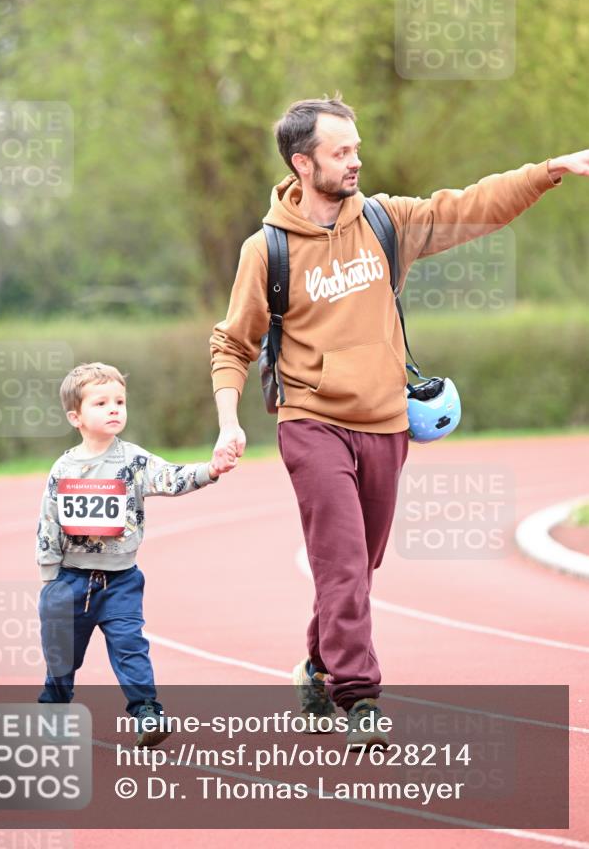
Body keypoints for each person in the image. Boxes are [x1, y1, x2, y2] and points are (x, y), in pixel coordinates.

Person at [209, 95, 588, 750]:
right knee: (344, 563)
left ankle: (316, 663)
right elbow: (231, 342)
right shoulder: (264, 250)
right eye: (340, 152)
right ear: (303, 163)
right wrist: (226, 422)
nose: (355, 161)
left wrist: (547, 169)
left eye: (355, 148)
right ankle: (358, 700)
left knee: (356, 565)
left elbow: (470, 206)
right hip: (311, 422)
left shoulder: (387, 221)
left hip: (386, 425)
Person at [36, 361, 236, 747]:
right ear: (76, 416)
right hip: (70, 580)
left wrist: (210, 470)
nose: (114, 409)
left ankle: (147, 711)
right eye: (101, 403)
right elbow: (49, 521)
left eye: (120, 401)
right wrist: (49, 578)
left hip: (121, 581)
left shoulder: (134, 461)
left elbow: (171, 478)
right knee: (62, 654)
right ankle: (55, 705)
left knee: (130, 646)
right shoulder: (63, 468)